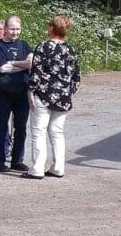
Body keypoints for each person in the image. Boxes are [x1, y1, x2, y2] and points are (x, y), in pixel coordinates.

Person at [26, 15, 81, 179]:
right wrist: (68, 93)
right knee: (57, 132)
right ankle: (58, 168)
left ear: (51, 28)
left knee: (39, 132)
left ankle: (37, 169)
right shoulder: (71, 49)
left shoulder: (43, 47)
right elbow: (76, 77)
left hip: (43, 94)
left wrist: (30, 91)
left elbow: (36, 72)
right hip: (63, 97)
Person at [0, 15, 33, 173]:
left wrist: (13, 63)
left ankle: (17, 160)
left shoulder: (24, 45)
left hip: (22, 92)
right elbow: (2, 68)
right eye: (12, 29)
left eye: (18, 29)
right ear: (5, 29)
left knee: (21, 127)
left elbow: (31, 63)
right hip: (3, 92)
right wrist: (22, 65)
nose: (15, 32)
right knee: (1, 127)